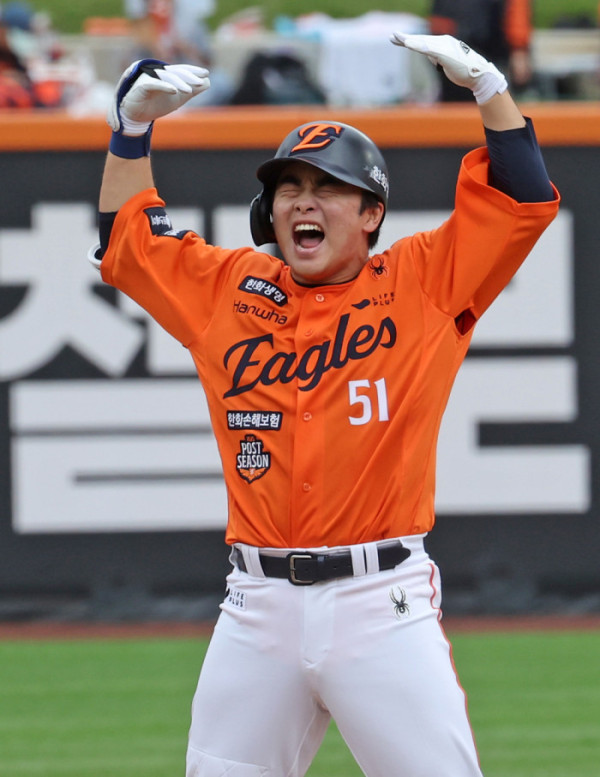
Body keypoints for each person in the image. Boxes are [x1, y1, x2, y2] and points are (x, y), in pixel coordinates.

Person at [89, 30, 559, 777]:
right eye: (290, 188)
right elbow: (127, 241)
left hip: (381, 603)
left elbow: (522, 199)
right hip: (255, 608)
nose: (304, 201)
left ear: (371, 213)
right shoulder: (231, 290)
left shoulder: (423, 282)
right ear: (269, 211)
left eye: (329, 187)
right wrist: (131, 130)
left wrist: (490, 91)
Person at [429, 0, 534, 100]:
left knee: (493, 96)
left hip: (491, 53)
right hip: (451, 51)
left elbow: (517, 10)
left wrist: (518, 49)